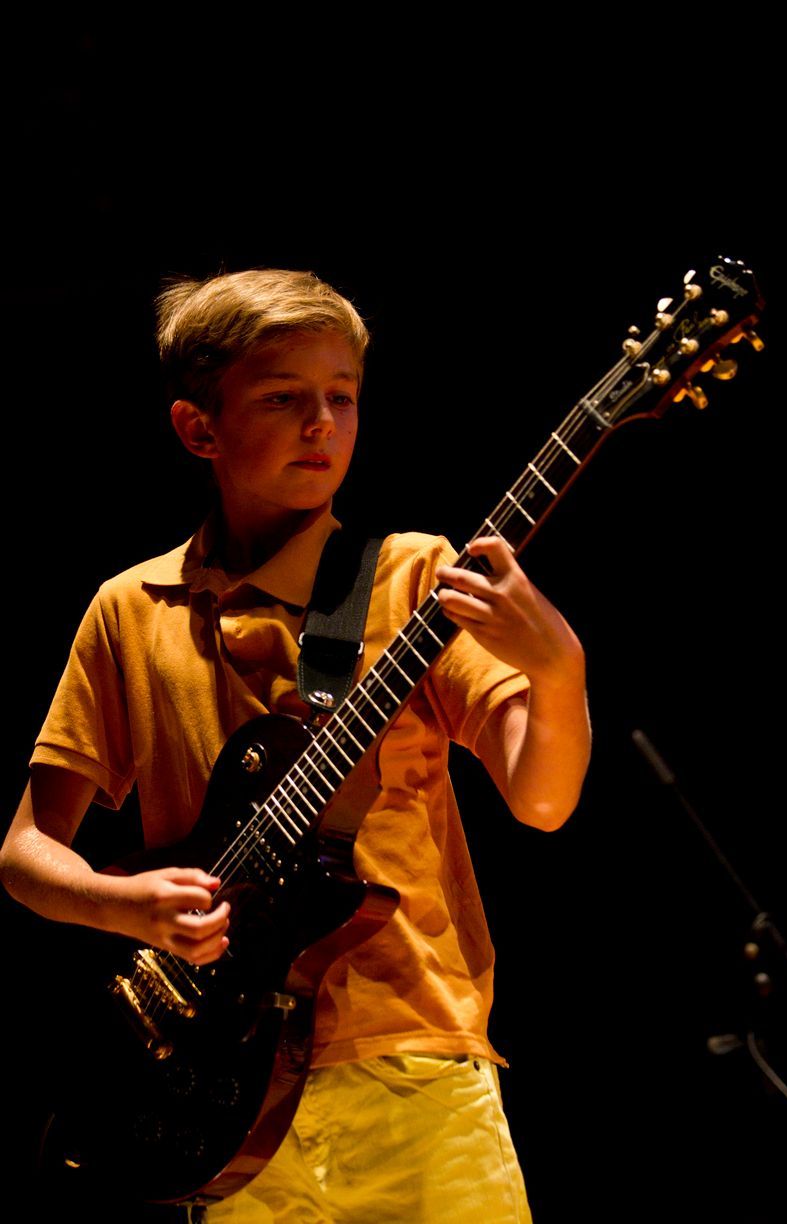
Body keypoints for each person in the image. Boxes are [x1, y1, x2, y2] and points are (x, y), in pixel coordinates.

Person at [0, 268, 591, 1222]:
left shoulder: (411, 576)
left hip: (414, 1066)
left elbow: (544, 799)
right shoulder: (130, 610)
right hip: (216, 1093)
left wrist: (559, 670)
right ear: (199, 428)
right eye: (283, 399)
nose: (322, 424)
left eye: (342, 398)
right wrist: (124, 905)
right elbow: (27, 853)